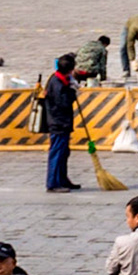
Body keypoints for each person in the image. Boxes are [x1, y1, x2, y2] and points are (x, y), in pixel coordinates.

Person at [43, 53, 80, 192]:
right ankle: (53, 183)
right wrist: (72, 92)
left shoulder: (60, 79)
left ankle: (63, 179)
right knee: (57, 153)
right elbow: (63, 102)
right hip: (58, 123)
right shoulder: (57, 84)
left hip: (63, 122)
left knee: (64, 153)